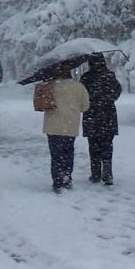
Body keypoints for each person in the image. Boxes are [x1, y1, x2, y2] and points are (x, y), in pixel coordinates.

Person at [42, 62, 90, 194]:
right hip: (70, 125)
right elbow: (85, 107)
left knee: (56, 154)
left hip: (53, 125)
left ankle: (57, 180)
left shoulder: (50, 86)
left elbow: (42, 102)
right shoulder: (78, 87)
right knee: (68, 152)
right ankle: (67, 176)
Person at [80, 54, 122, 185]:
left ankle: (96, 173)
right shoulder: (109, 76)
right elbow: (117, 91)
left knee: (93, 146)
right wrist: (108, 98)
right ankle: (107, 172)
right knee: (107, 145)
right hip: (108, 115)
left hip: (92, 115)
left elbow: (81, 95)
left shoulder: (86, 77)